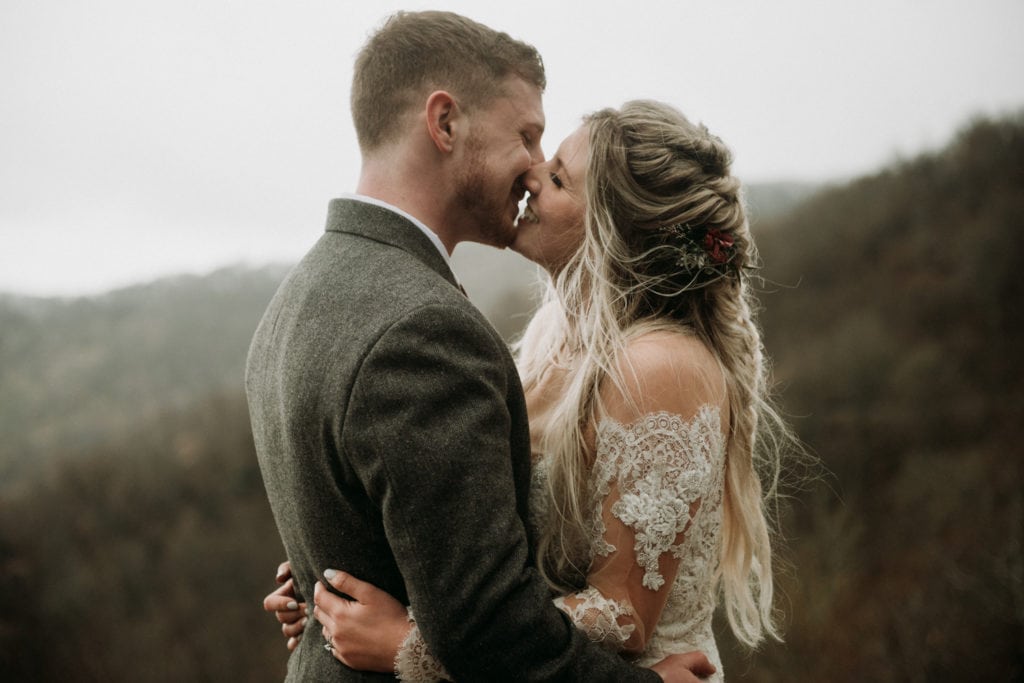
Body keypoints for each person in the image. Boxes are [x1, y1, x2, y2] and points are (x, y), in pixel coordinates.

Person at [247, 10, 712, 683]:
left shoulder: (294, 299)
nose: (532, 169)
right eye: (527, 137)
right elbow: (488, 622)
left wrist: (327, 572)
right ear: (444, 124)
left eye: (553, 166)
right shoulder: (424, 329)